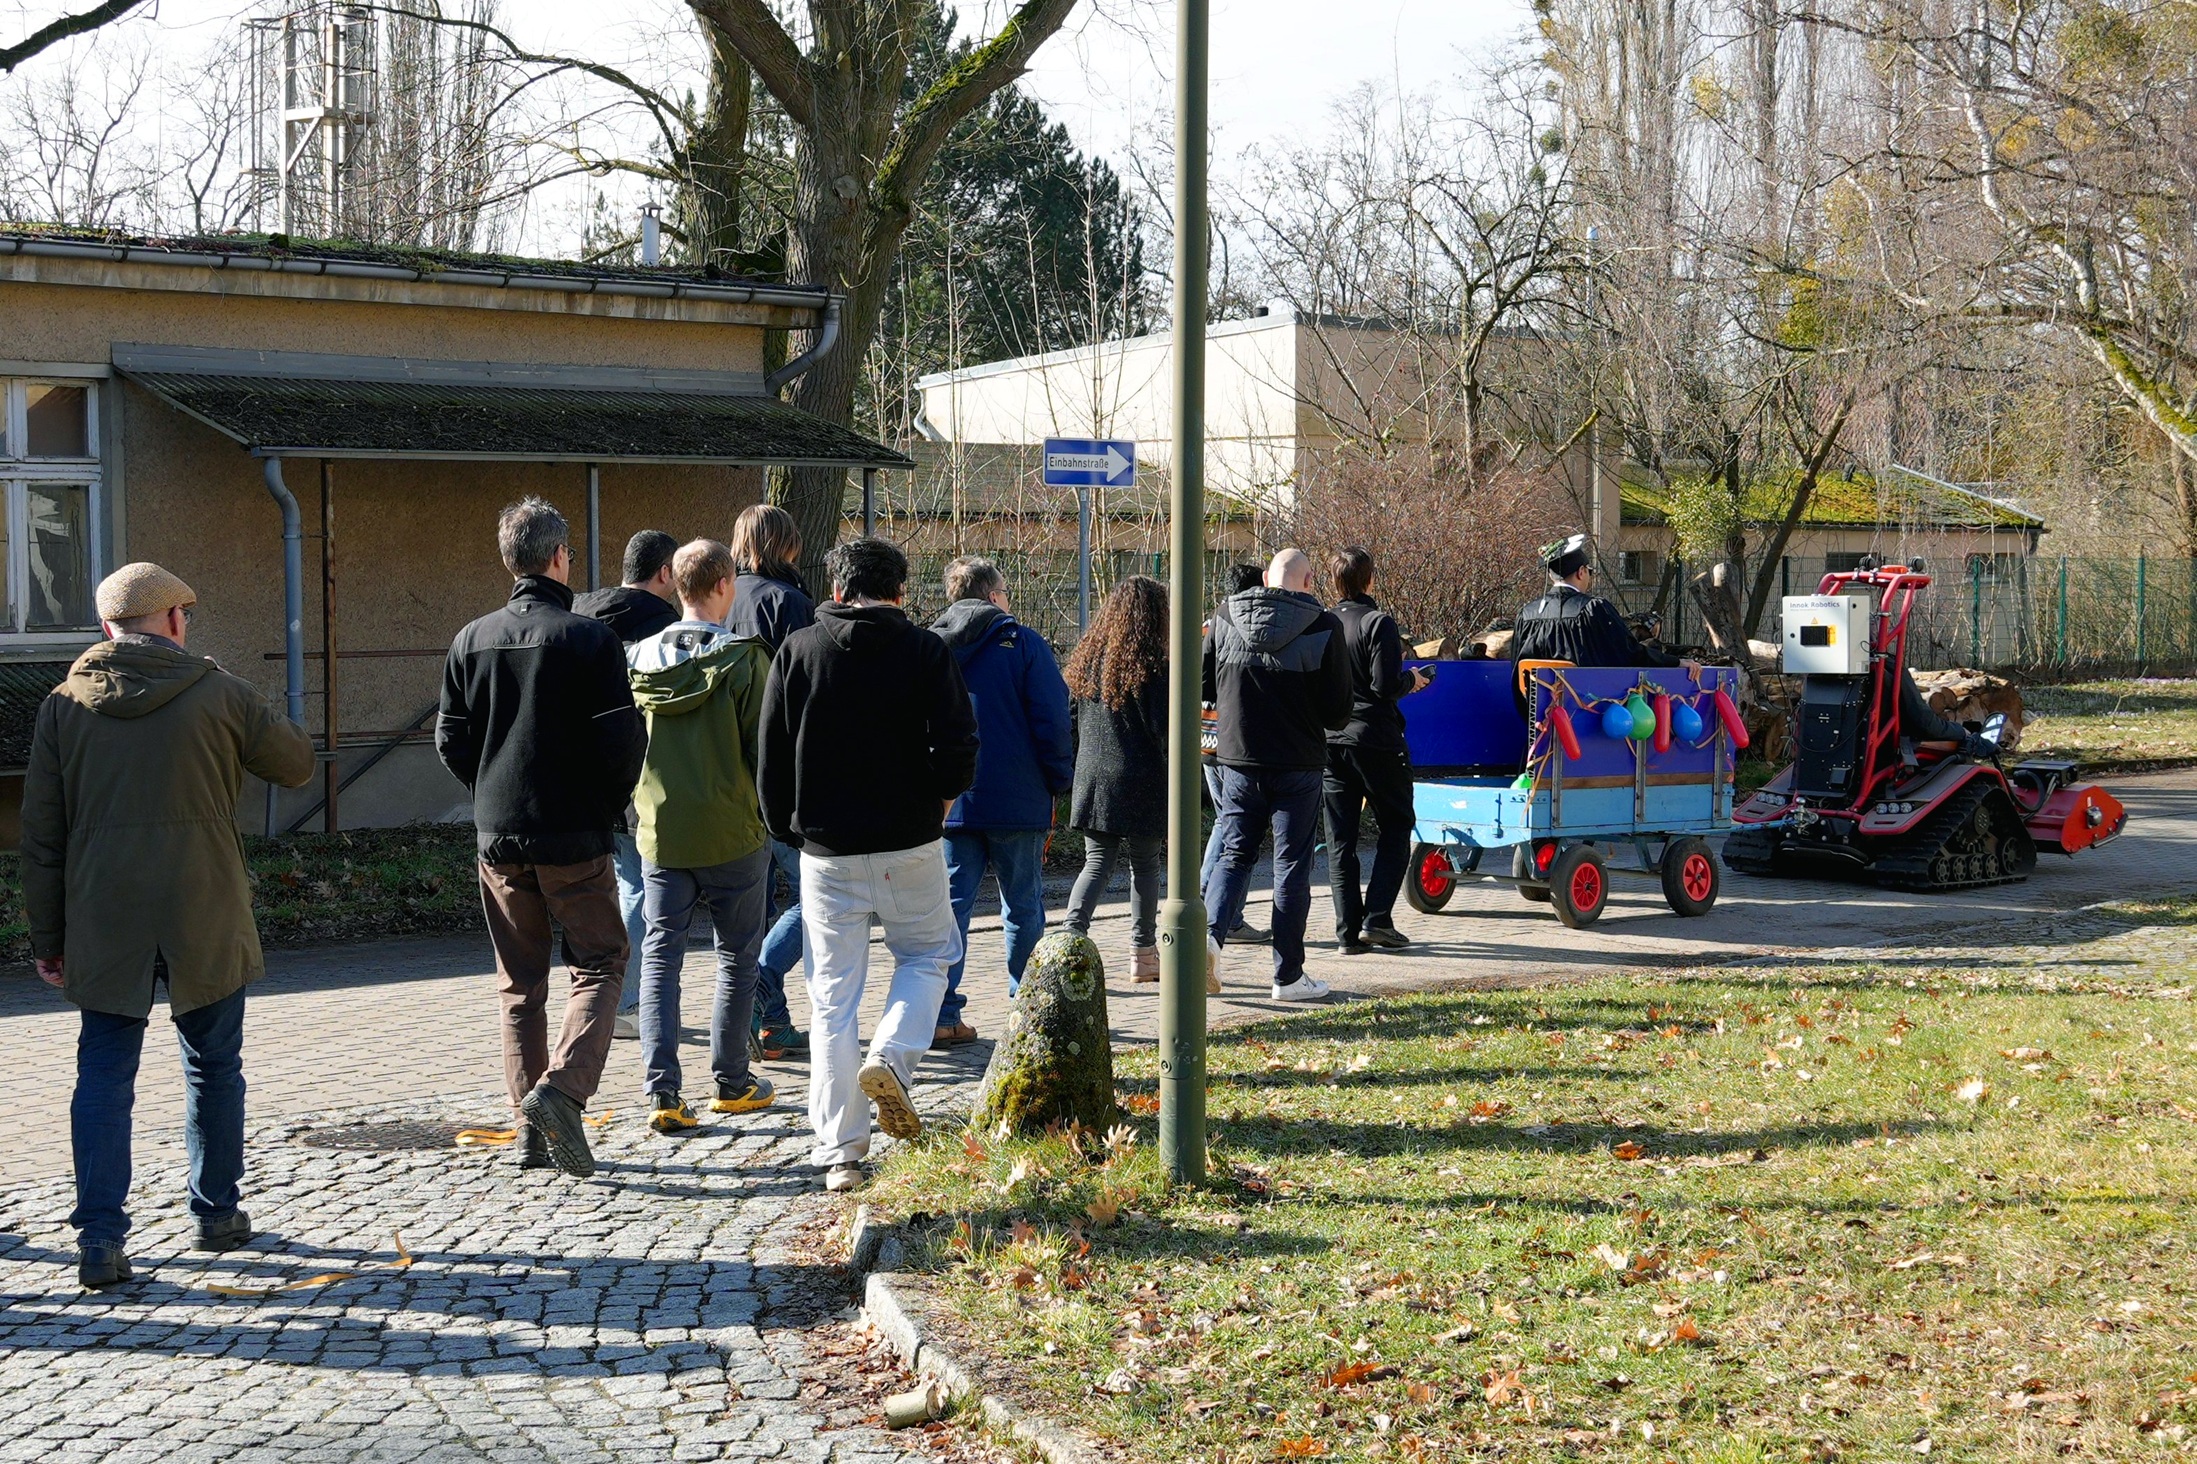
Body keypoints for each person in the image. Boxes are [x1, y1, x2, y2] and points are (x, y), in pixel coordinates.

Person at [22, 564, 316, 1288]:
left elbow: (42, 836)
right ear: (176, 620)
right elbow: (298, 765)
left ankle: (98, 1239)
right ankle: (216, 1213)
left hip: (103, 913)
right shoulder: (219, 693)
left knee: (102, 1074)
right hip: (203, 908)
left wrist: (48, 938)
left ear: (105, 628)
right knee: (213, 1065)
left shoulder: (63, 706)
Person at [758, 536, 978, 1194]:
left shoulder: (798, 651)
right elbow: (960, 742)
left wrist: (787, 831)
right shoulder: (924, 650)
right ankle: (892, 1056)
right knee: (929, 955)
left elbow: (768, 759)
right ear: (901, 592)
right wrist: (939, 800)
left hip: (825, 852)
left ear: (835, 588)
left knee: (831, 1000)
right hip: (910, 840)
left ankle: (840, 1153)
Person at [438, 497, 646, 1179]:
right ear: (560, 558)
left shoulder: (470, 638)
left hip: (498, 831)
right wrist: (604, 804)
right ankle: (560, 1093)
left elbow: (451, 740)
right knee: (602, 962)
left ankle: (531, 1129)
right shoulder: (589, 639)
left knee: (519, 985)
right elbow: (622, 743)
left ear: (509, 560)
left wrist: (492, 790)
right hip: (572, 830)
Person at [625, 539, 779, 1136]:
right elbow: (762, 753)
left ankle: (663, 1091)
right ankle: (732, 1082)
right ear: (722, 586)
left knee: (661, 955)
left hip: (661, 831)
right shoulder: (744, 659)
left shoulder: (637, 657)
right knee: (736, 957)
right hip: (733, 830)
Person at [930, 555, 1074, 1048]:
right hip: (1019, 798)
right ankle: (1028, 1011)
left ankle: (942, 1014)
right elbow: (1052, 719)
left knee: (951, 909)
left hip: (953, 802)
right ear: (993, 597)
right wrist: (1058, 780)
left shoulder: (932, 647)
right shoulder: (1025, 645)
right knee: (1022, 906)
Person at [1203, 548, 1352, 1002]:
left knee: (1233, 856)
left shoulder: (1225, 616)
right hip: (1299, 765)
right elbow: (1339, 711)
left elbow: (1204, 685)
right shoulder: (1326, 627)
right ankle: (1287, 977)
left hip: (1238, 761)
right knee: (1291, 867)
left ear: (1266, 577)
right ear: (1308, 582)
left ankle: (1207, 942)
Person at [1060, 575, 1216, 990]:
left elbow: (1073, 721)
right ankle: (1142, 956)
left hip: (1093, 777)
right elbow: (1166, 731)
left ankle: (1069, 942)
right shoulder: (1153, 667)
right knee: (1143, 865)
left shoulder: (1087, 661)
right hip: (1143, 778)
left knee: (1096, 864)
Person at [576, 529, 681, 1040]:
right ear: (665, 574)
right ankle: (627, 1001)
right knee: (639, 890)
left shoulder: (578, 614)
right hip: (640, 777)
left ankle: (597, 996)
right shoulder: (667, 629)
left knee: (612, 889)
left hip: (582, 779)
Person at [728, 504, 815, 1062]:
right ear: (786, 545)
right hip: (779, 772)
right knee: (819, 896)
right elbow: (810, 691)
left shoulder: (720, 596)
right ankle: (760, 983)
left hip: (725, 775)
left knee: (753, 906)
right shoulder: (789, 602)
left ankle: (767, 1023)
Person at [1323, 546, 1432, 955]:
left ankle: (1347, 934)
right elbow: (1386, 686)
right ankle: (1378, 920)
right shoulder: (1378, 623)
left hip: (1332, 740)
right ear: (1369, 580)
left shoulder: (1325, 622)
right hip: (1376, 739)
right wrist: (1413, 681)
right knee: (1397, 823)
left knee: (1340, 840)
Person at [1200, 563, 1272, 945]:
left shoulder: (1208, 625)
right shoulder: (1239, 627)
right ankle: (1226, 915)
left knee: (1224, 824)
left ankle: (1208, 901)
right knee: (1238, 833)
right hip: (1232, 745)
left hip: (1206, 742)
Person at [1511, 534, 1692, 671]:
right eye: (1589, 571)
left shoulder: (1527, 614)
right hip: (1586, 709)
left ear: (1551, 576)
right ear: (1581, 572)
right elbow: (1628, 653)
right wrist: (1675, 662)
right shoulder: (1592, 609)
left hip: (1536, 712)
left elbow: (1518, 670)